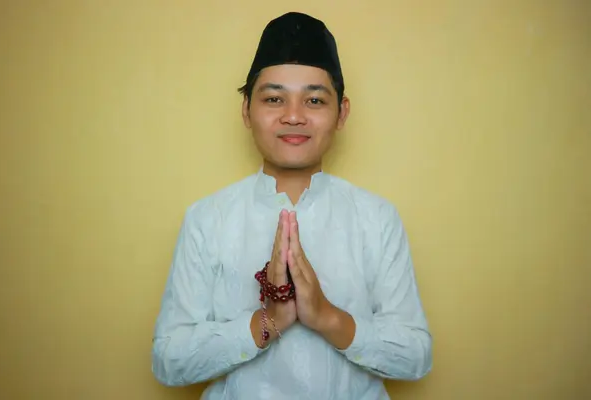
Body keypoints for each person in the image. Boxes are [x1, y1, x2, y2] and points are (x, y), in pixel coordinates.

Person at [151, 11, 432, 400]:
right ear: (246, 110)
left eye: (314, 99)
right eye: (274, 98)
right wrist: (267, 320)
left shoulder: (377, 218)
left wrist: (326, 317)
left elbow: (416, 356)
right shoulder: (207, 219)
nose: (294, 115)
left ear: (342, 113)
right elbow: (168, 360)